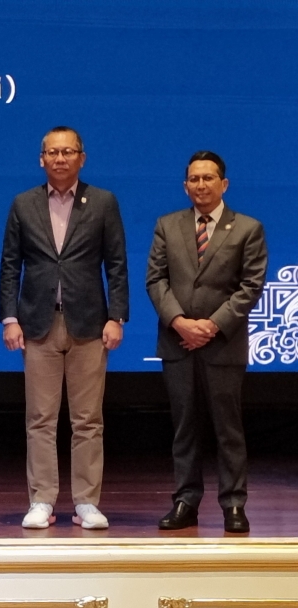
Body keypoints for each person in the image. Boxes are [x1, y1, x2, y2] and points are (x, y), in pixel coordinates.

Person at [0, 126, 129, 530]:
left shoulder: (103, 202)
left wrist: (116, 316)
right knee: (40, 417)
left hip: (89, 323)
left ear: (81, 158)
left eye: (67, 151)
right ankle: (42, 499)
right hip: (38, 322)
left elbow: (117, 264)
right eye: (52, 152)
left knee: (88, 419)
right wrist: (9, 317)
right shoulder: (24, 203)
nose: (59, 158)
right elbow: (9, 265)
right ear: (41, 159)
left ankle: (87, 501)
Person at [146, 151, 267, 534]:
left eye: (208, 178)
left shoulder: (247, 228)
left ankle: (233, 504)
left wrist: (211, 327)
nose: (201, 185)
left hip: (222, 346)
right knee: (184, 427)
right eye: (194, 179)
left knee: (227, 428)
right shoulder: (168, 225)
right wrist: (180, 322)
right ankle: (185, 501)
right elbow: (156, 280)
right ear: (185, 186)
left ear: (223, 184)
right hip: (177, 344)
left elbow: (250, 287)